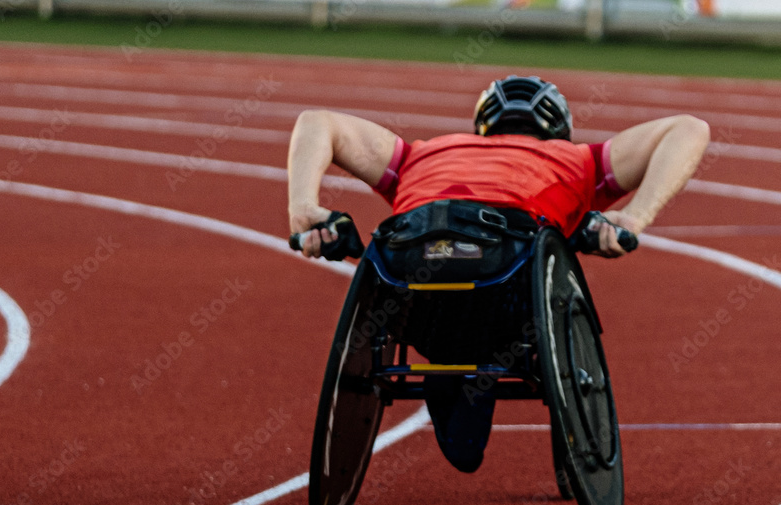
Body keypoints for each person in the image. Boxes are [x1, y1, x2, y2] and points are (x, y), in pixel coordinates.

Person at [287, 75, 710, 472]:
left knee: (432, 284)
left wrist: (303, 208)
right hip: (506, 289)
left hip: (409, 284)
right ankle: (477, 364)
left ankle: (454, 362)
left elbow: (316, 121)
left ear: (482, 126)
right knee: (513, 275)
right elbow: (690, 128)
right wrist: (633, 218)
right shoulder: (577, 159)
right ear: (559, 129)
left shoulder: (427, 152)